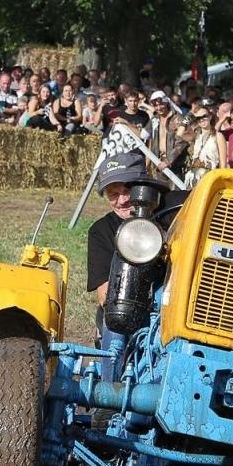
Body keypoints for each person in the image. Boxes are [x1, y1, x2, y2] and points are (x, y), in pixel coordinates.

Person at [86, 152, 162, 381]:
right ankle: (111, 393)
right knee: (117, 316)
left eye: (127, 191)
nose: (122, 200)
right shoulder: (101, 232)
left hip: (170, 309)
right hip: (130, 310)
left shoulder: (171, 219)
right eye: (113, 194)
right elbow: (104, 295)